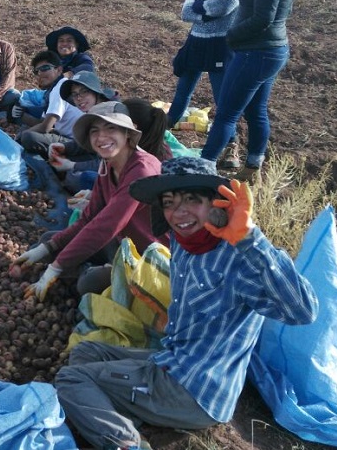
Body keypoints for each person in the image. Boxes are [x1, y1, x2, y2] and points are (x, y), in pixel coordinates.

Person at [55, 156, 318, 449]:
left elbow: (303, 310)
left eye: (191, 199)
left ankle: (129, 443)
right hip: (171, 362)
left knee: (70, 380)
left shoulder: (240, 258)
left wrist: (249, 237)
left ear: (216, 204)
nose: (178, 212)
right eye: (169, 202)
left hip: (193, 392)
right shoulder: (182, 242)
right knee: (87, 352)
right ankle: (133, 411)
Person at [11, 101, 165, 300]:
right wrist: (46, 249)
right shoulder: (107, 164)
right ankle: (87, 267)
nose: (102, 137)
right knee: (47, 241)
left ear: (128, 133)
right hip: (119, 243)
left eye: (111, 128)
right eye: (95, 131)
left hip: (145, 258)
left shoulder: (142, 170)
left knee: (88, 284)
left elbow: (106, 226)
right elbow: (89, 218)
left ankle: (90, 271)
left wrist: (55, 269)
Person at [199, 0, 308, 183]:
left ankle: (203, 168)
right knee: (255, 109)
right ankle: (253, 165)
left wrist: (231, 36)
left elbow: (263, 18)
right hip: (270, 50)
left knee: (226, 112)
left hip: (256, 51)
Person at [168, 0, 246, 169]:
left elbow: (227, 6)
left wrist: (200, 8)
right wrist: (205, 11)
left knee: (223, 101)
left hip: (221, 46)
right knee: (183, 91)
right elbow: (185, 12)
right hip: (196, 41)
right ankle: (161, 130)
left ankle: (232, 147)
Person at [14, 50, 83, 159]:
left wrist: (20, 137)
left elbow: (46, 127)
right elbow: (42, 122)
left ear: (59, 70)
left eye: (45, 68)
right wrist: (22, 115)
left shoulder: (60, 87)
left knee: (28, 137)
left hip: (79, 143)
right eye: (37, 71)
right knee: (27, 129)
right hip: (71, 136)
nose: (40, 73)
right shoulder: (51, 91)